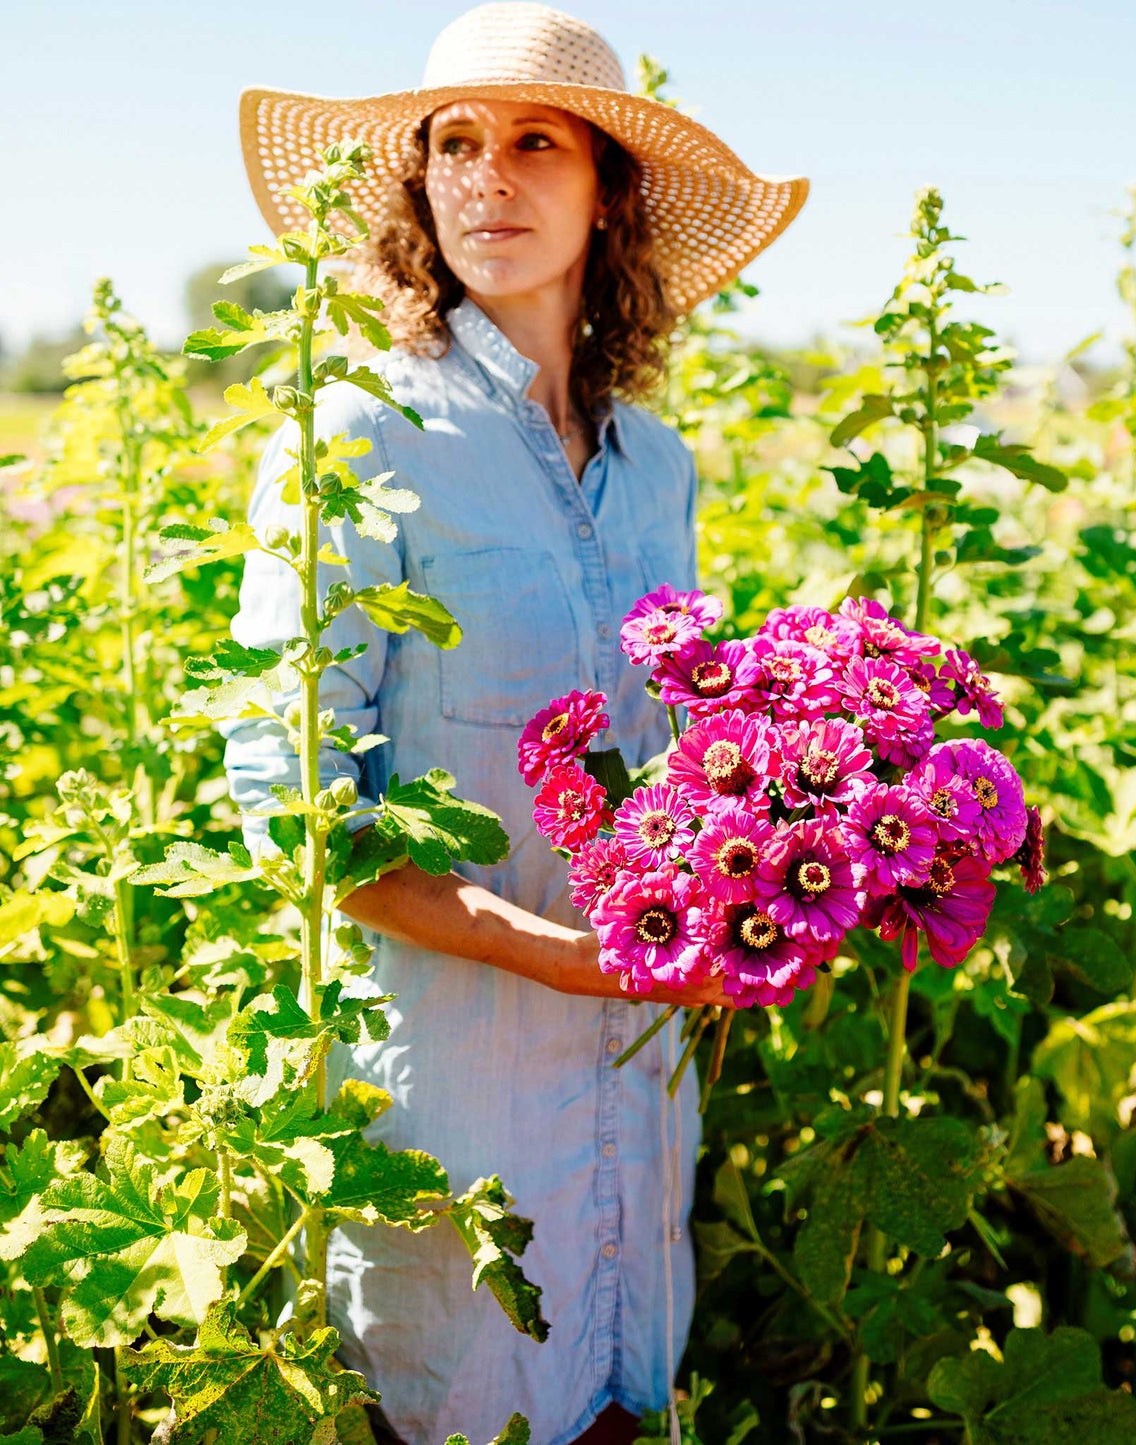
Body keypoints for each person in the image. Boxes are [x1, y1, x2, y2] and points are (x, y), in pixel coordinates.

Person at [221, 4, 808, 1444]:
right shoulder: (356, 431)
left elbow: (681, 762)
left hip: (637, 1082)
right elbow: (288, 800)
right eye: (455, 144)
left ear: (608, 189)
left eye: (536, 142)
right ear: (417, 186)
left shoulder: (656, 465)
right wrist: (558, 955)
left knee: (615, 1403)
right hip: (455, 1104)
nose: (490, 175)